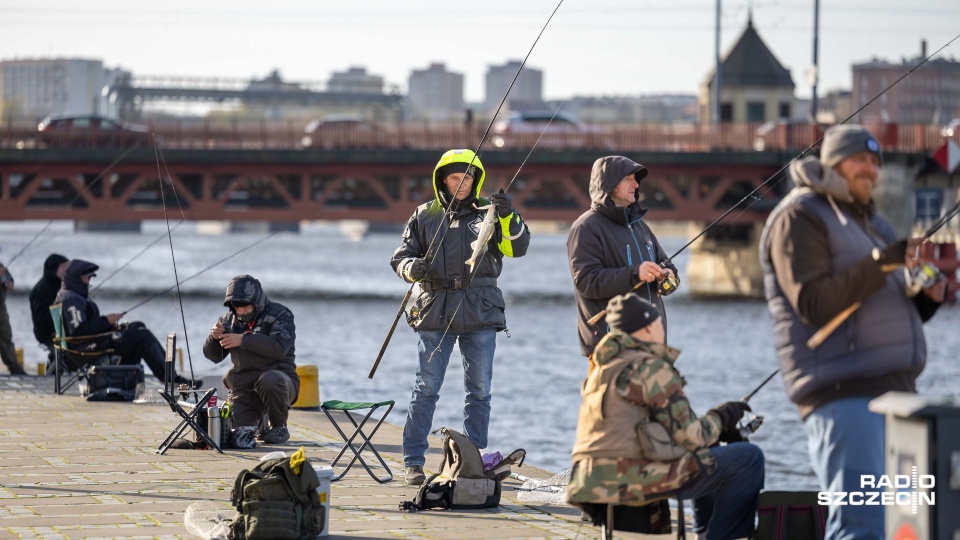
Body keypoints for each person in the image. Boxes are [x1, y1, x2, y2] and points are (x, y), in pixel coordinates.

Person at [760, 125, 946, 539]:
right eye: (860, 160)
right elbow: (812, 303)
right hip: (845, 397)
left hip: (899, 397)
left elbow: (878, 306)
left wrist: (925, 299)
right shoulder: (799, 215)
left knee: (909, 528)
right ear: (832, 164)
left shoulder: (872, 223)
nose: (871, 170)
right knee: (864, 526)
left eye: (876, 162)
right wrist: (882, 262)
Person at [567, 293, 764, 539]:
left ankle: (703, 532)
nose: (663, 329)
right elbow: (693, 436)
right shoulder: (649, 367)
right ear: (647, 328)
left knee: (708, 450)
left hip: (588, 479)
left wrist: (715, 428)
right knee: (748, 457)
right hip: (630, 476)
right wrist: (723, 417)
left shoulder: (602, 368)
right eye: (660, 324)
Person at [390, 148, 530, 485]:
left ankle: (473, 459)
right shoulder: (424, 214)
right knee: (426, 389)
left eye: (468, 176)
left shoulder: (491, 213)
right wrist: (413, 268)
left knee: (480, 391)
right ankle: (413, 462)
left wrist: (510, 217)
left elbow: (518, 248)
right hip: (435, 309)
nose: (462, 183)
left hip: (480, 310)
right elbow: (399, 258)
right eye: (455, 177)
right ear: (443, 180)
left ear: (476, 179)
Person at [567, 155, 678, 359]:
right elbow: (587, 281)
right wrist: (636, 273)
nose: (636, 184)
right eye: (628, 178)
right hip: (611, 346)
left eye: (635, 179)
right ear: (609, 184)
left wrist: (668, 274)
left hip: (650, 343)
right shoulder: (585, 228)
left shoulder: (639, 225)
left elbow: (665, 262)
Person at [53, 259, 200, 387]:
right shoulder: (71, 299)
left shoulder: (69, 295)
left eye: (89, 278)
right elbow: (78, 331)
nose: (88, 282)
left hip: (88, 343)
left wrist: (109, 325)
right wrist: (106, 321)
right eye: (85, 278)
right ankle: (171, 379)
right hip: (82, 350)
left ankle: (127, 379)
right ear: (74, 278)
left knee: (137, 326)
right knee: (143, 336)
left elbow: (81, 327)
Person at [202, 275, 298, 446]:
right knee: (237, 437)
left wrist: (244, 340)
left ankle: (279, 426)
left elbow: (279, 347)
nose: (241, 311)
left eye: (245, 306)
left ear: (257, 302)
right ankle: (258, 422)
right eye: (236, 307)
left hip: (280, 382)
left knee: (270, 379)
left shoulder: (281, 315)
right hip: (244, 388)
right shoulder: (227, 321)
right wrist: (213, 337)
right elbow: (214, 357)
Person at [29, 253, 69, 372]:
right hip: (47, 332)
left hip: (58, 328)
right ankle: (56, 370)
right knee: (71, 347)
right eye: (63, 267)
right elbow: (42, 317)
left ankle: (55, 368)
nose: (66, 270)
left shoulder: (59, 285)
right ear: (53, 268)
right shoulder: (43, 288)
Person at [0, 260, 24, 375]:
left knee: (6, 336)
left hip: (1, 308)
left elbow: (10, 285)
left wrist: (8, 282)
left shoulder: (1, 267)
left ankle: (15, 368)